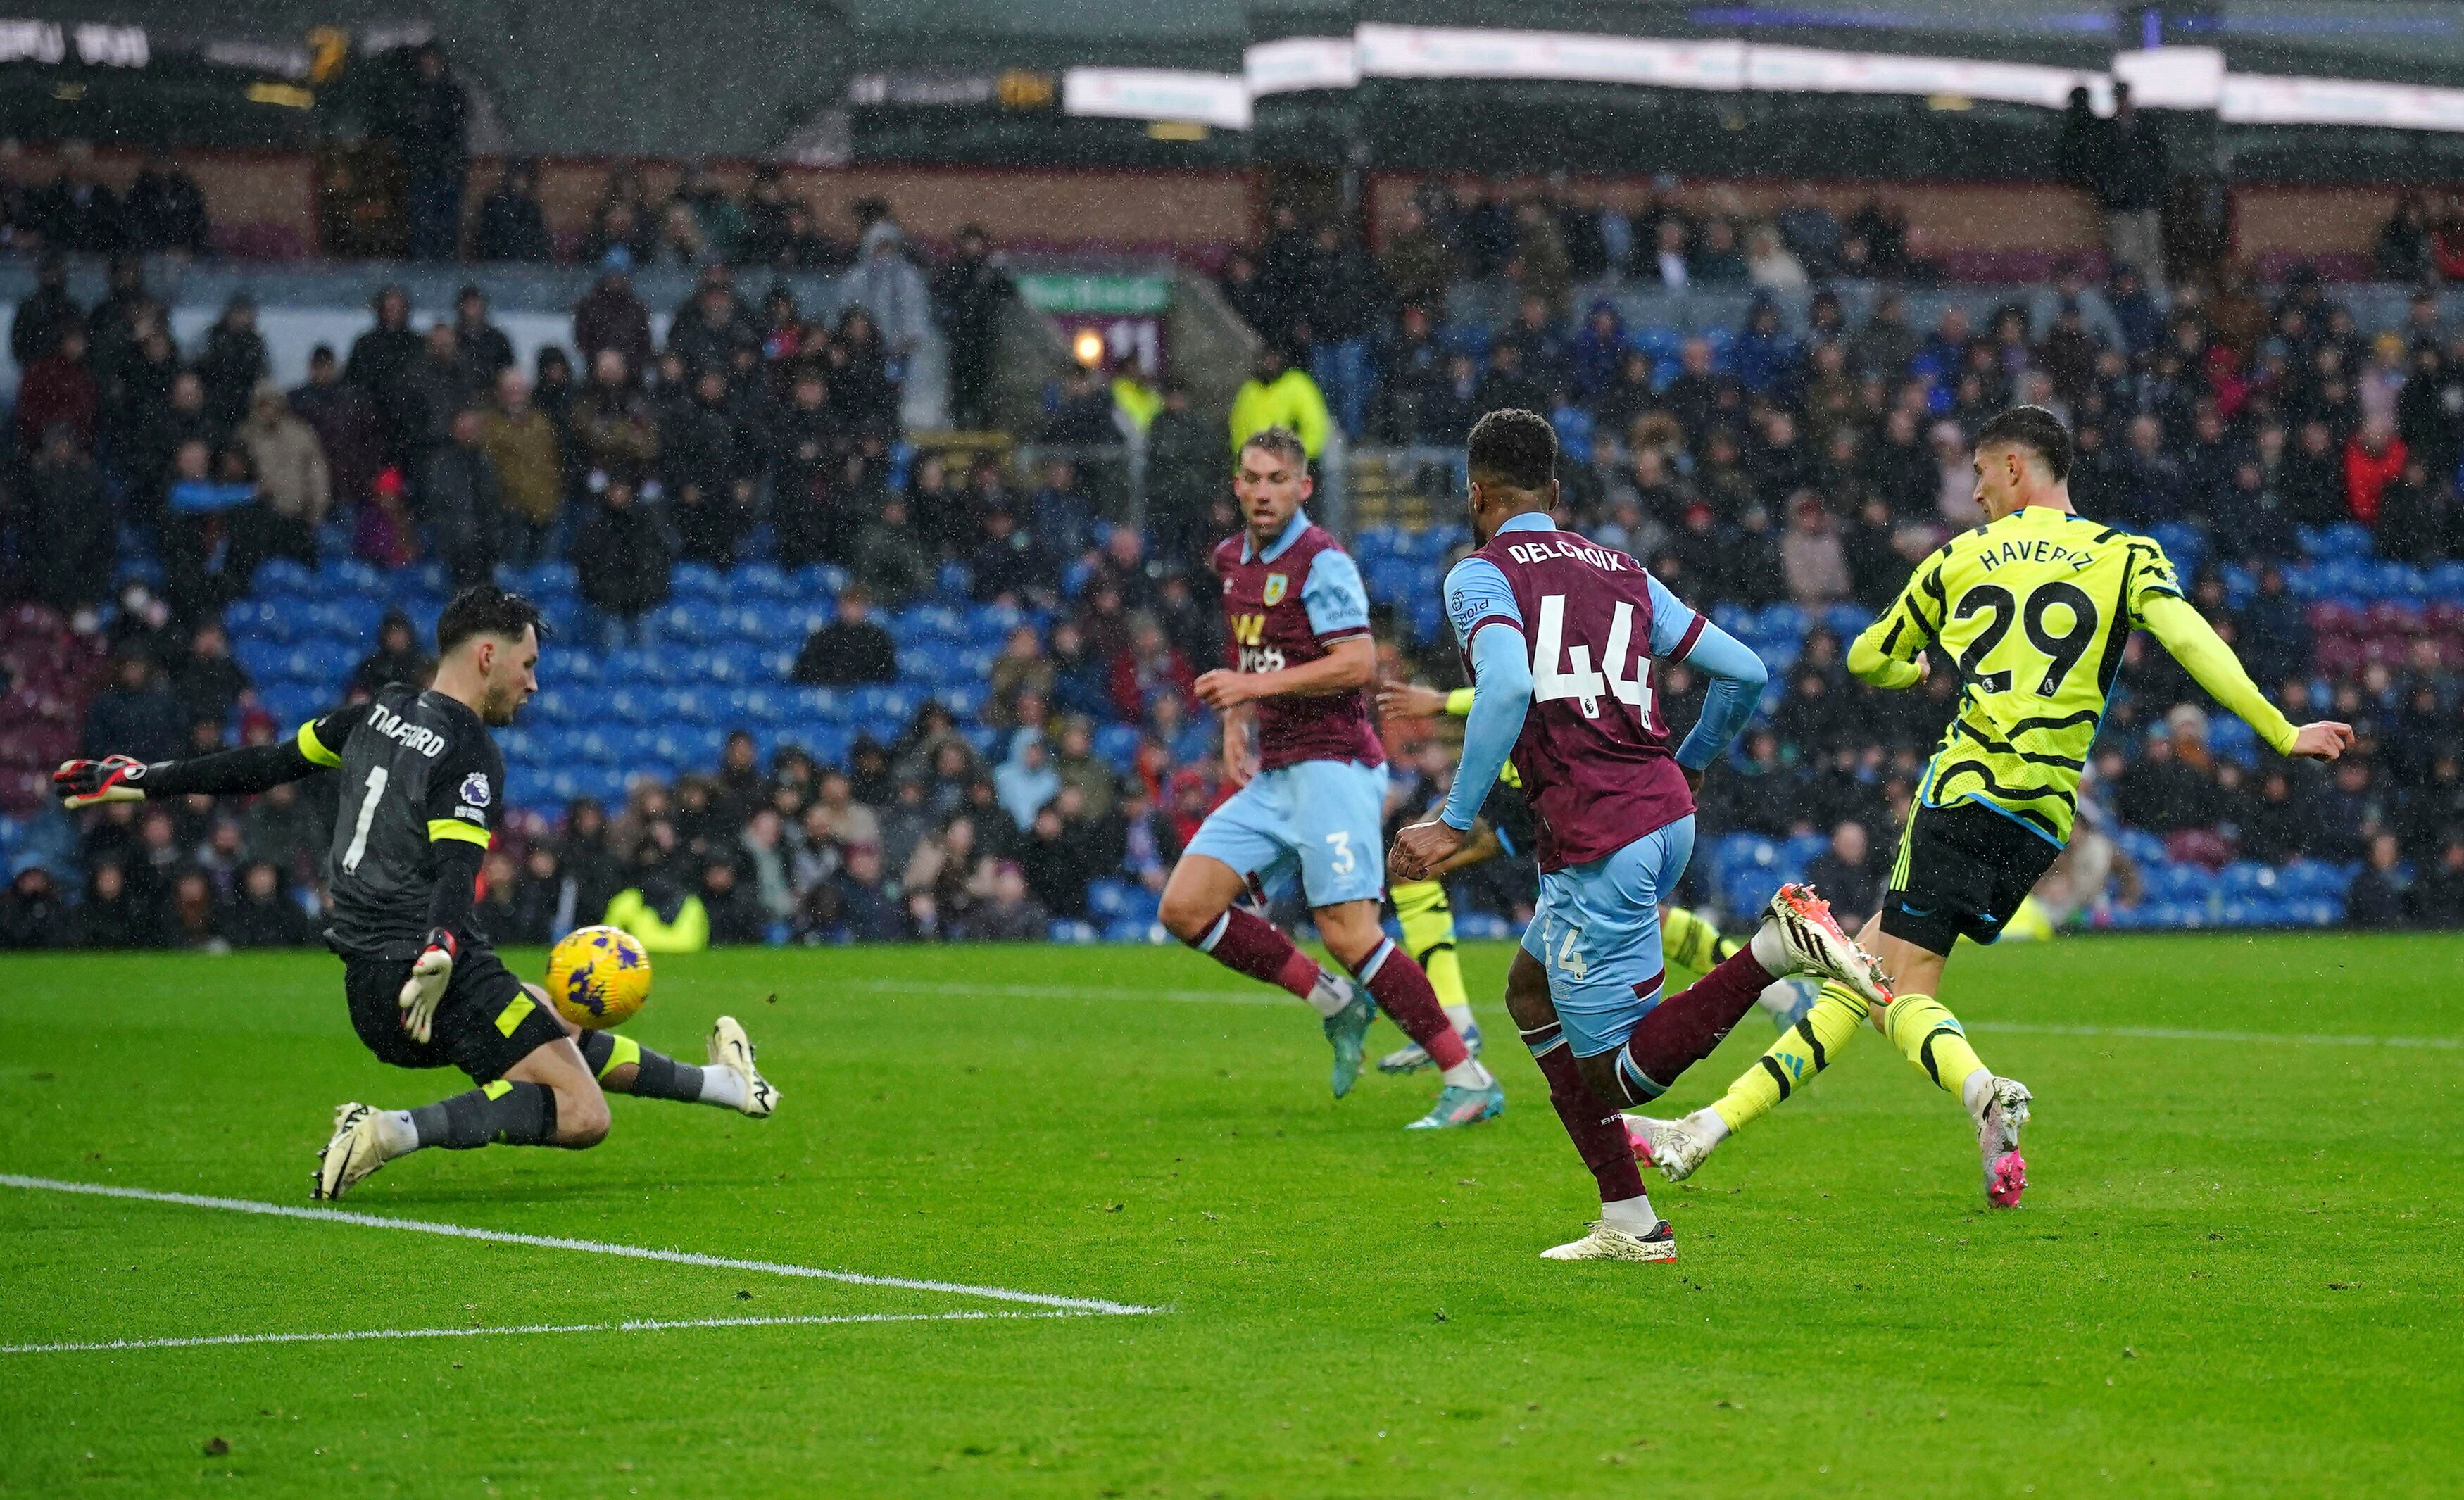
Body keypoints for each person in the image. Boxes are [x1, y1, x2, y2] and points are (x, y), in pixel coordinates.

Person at [1628, 405, 2356, 1206]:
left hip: (1962, 792)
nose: (1973, 494)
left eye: (1978, 473)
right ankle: (1703, 1129)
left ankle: (1982, 1092)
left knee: (1891, 993)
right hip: (2041, 820)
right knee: (1857, 975)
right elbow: (2190, 642)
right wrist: (2279, 730)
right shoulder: (2124, 554)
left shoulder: (1959, 559)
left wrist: (1905, 673)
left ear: (2014, 466)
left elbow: (1867, 654)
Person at [52, 586, 779, 1202]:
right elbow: (456, 872)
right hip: (425, 972)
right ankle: (388, 1130)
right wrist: (441, 947)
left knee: (544, 1010)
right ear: (487, 656)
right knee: (583, 1113)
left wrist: (147, 778)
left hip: (369, 984)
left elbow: (264, 765)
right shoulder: (468, 751)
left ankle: (727, 1086)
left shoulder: (376, 711)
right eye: (527, 665)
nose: (533, 684)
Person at [1386, 409, 1882, 1264]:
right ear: (1555, 492)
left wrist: (1452, 820)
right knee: (1530, 996)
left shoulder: (1480, 575)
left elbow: (1504, 687)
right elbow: (1744, 671)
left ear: (1475, 495)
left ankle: (1771, 948)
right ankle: (1626, 1217)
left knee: (1614, 1072)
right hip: (1657, 813)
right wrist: (1685, 766)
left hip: (1598, 835)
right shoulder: (1619, 568)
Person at [1155, 428, 1498, 1131]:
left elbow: (1357, 664)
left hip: (1335, 765)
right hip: (1277, 771)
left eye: (1277, 479)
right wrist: (1233, 719)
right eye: (1251, 477)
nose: (1261, 491)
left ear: (1303, 487)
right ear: (1236, 483)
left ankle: (1468, 1078)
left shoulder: (1322, 562)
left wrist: (1256, 685)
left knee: (1349, 932)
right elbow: (1246, 647)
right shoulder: (1229, 561)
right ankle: (1332, 1001)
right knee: (1185, 908)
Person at [1373, 677, 1754, 1078]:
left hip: (1533, 787)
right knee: (1627, 910)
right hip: (1553, 781)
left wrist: (1441, 700)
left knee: (1413, 871)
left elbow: (1518, 685)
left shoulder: (1536, 625)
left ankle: (1458, 1027)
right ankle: (1760, 978)